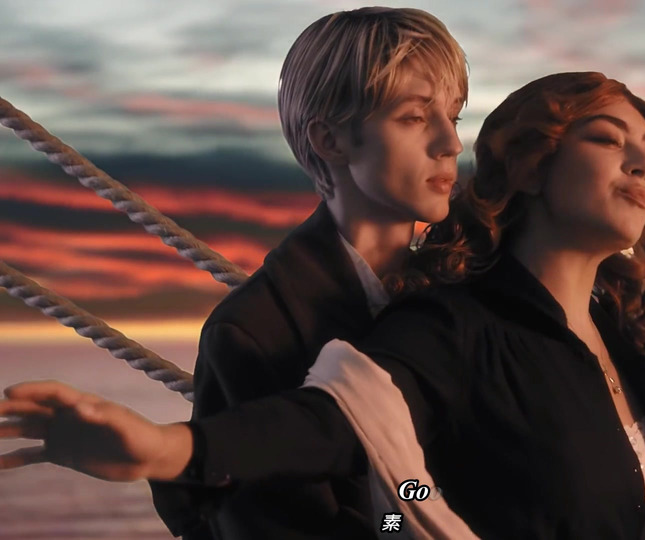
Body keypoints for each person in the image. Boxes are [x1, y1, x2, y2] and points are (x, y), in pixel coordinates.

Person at [0, 72, 645, 539]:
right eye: (606, 139)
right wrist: (167, 448)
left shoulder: (612, 339)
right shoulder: (452, 327)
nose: (641, 165)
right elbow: (341, 422)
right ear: (529, 166)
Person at [148, 7, 468, 540]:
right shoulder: (252, 332)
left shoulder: (465, 287)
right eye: (414, 117)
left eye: (452, 117)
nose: (450, 143)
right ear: (330, 140)